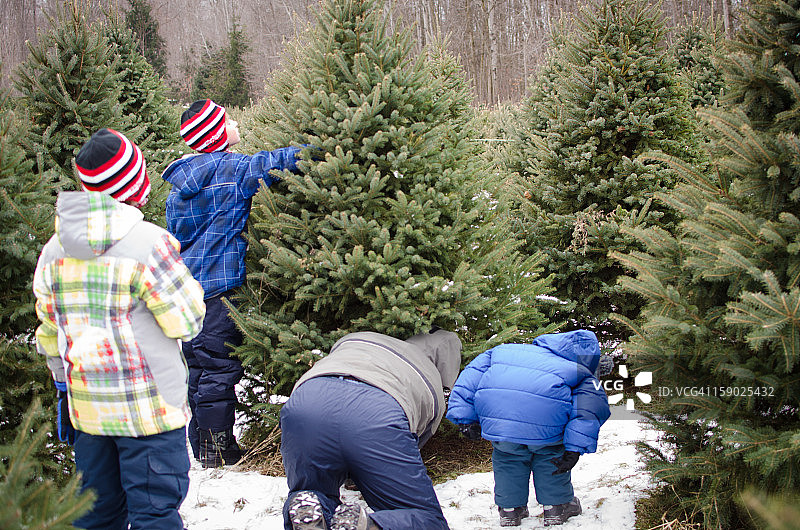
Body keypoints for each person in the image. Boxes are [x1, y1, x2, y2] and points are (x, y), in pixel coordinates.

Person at [33, 128, 206, 529]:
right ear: (136, 182)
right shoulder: (149, 243)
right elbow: (187, 322)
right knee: (154, 514)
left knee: (97, 515)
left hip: (89, 414)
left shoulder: (54, 249)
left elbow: (48, 331)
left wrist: (64, 383)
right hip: (149, 415)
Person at [162, 98, 302, 468]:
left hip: (186, 290)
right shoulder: (233, 170)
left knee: (199, 371)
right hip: (217, 294)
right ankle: (216, 452)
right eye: (229, 119)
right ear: (218, 133)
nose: (237, 121)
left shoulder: (179, 183)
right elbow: (275, 162)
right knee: (218, 372)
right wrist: (320, 150)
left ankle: (201, 446)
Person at [281, 328, 463, 530]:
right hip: (376, 414)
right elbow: (415, 439)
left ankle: (309, 507)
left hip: (306, 401)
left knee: (313, 495)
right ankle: (368, 526)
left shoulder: (360, 339)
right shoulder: (431, 376)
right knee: (426, 518)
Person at [445, 330, 612, 527]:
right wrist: (575, 448)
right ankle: (556, 507)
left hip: (501, 420)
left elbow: (470, 378)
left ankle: (510, 510)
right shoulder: (580, 371)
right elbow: (587, 409)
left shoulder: (503, 352)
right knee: (551, 457)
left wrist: (464, 418)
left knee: (508, 458)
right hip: (548, 425)